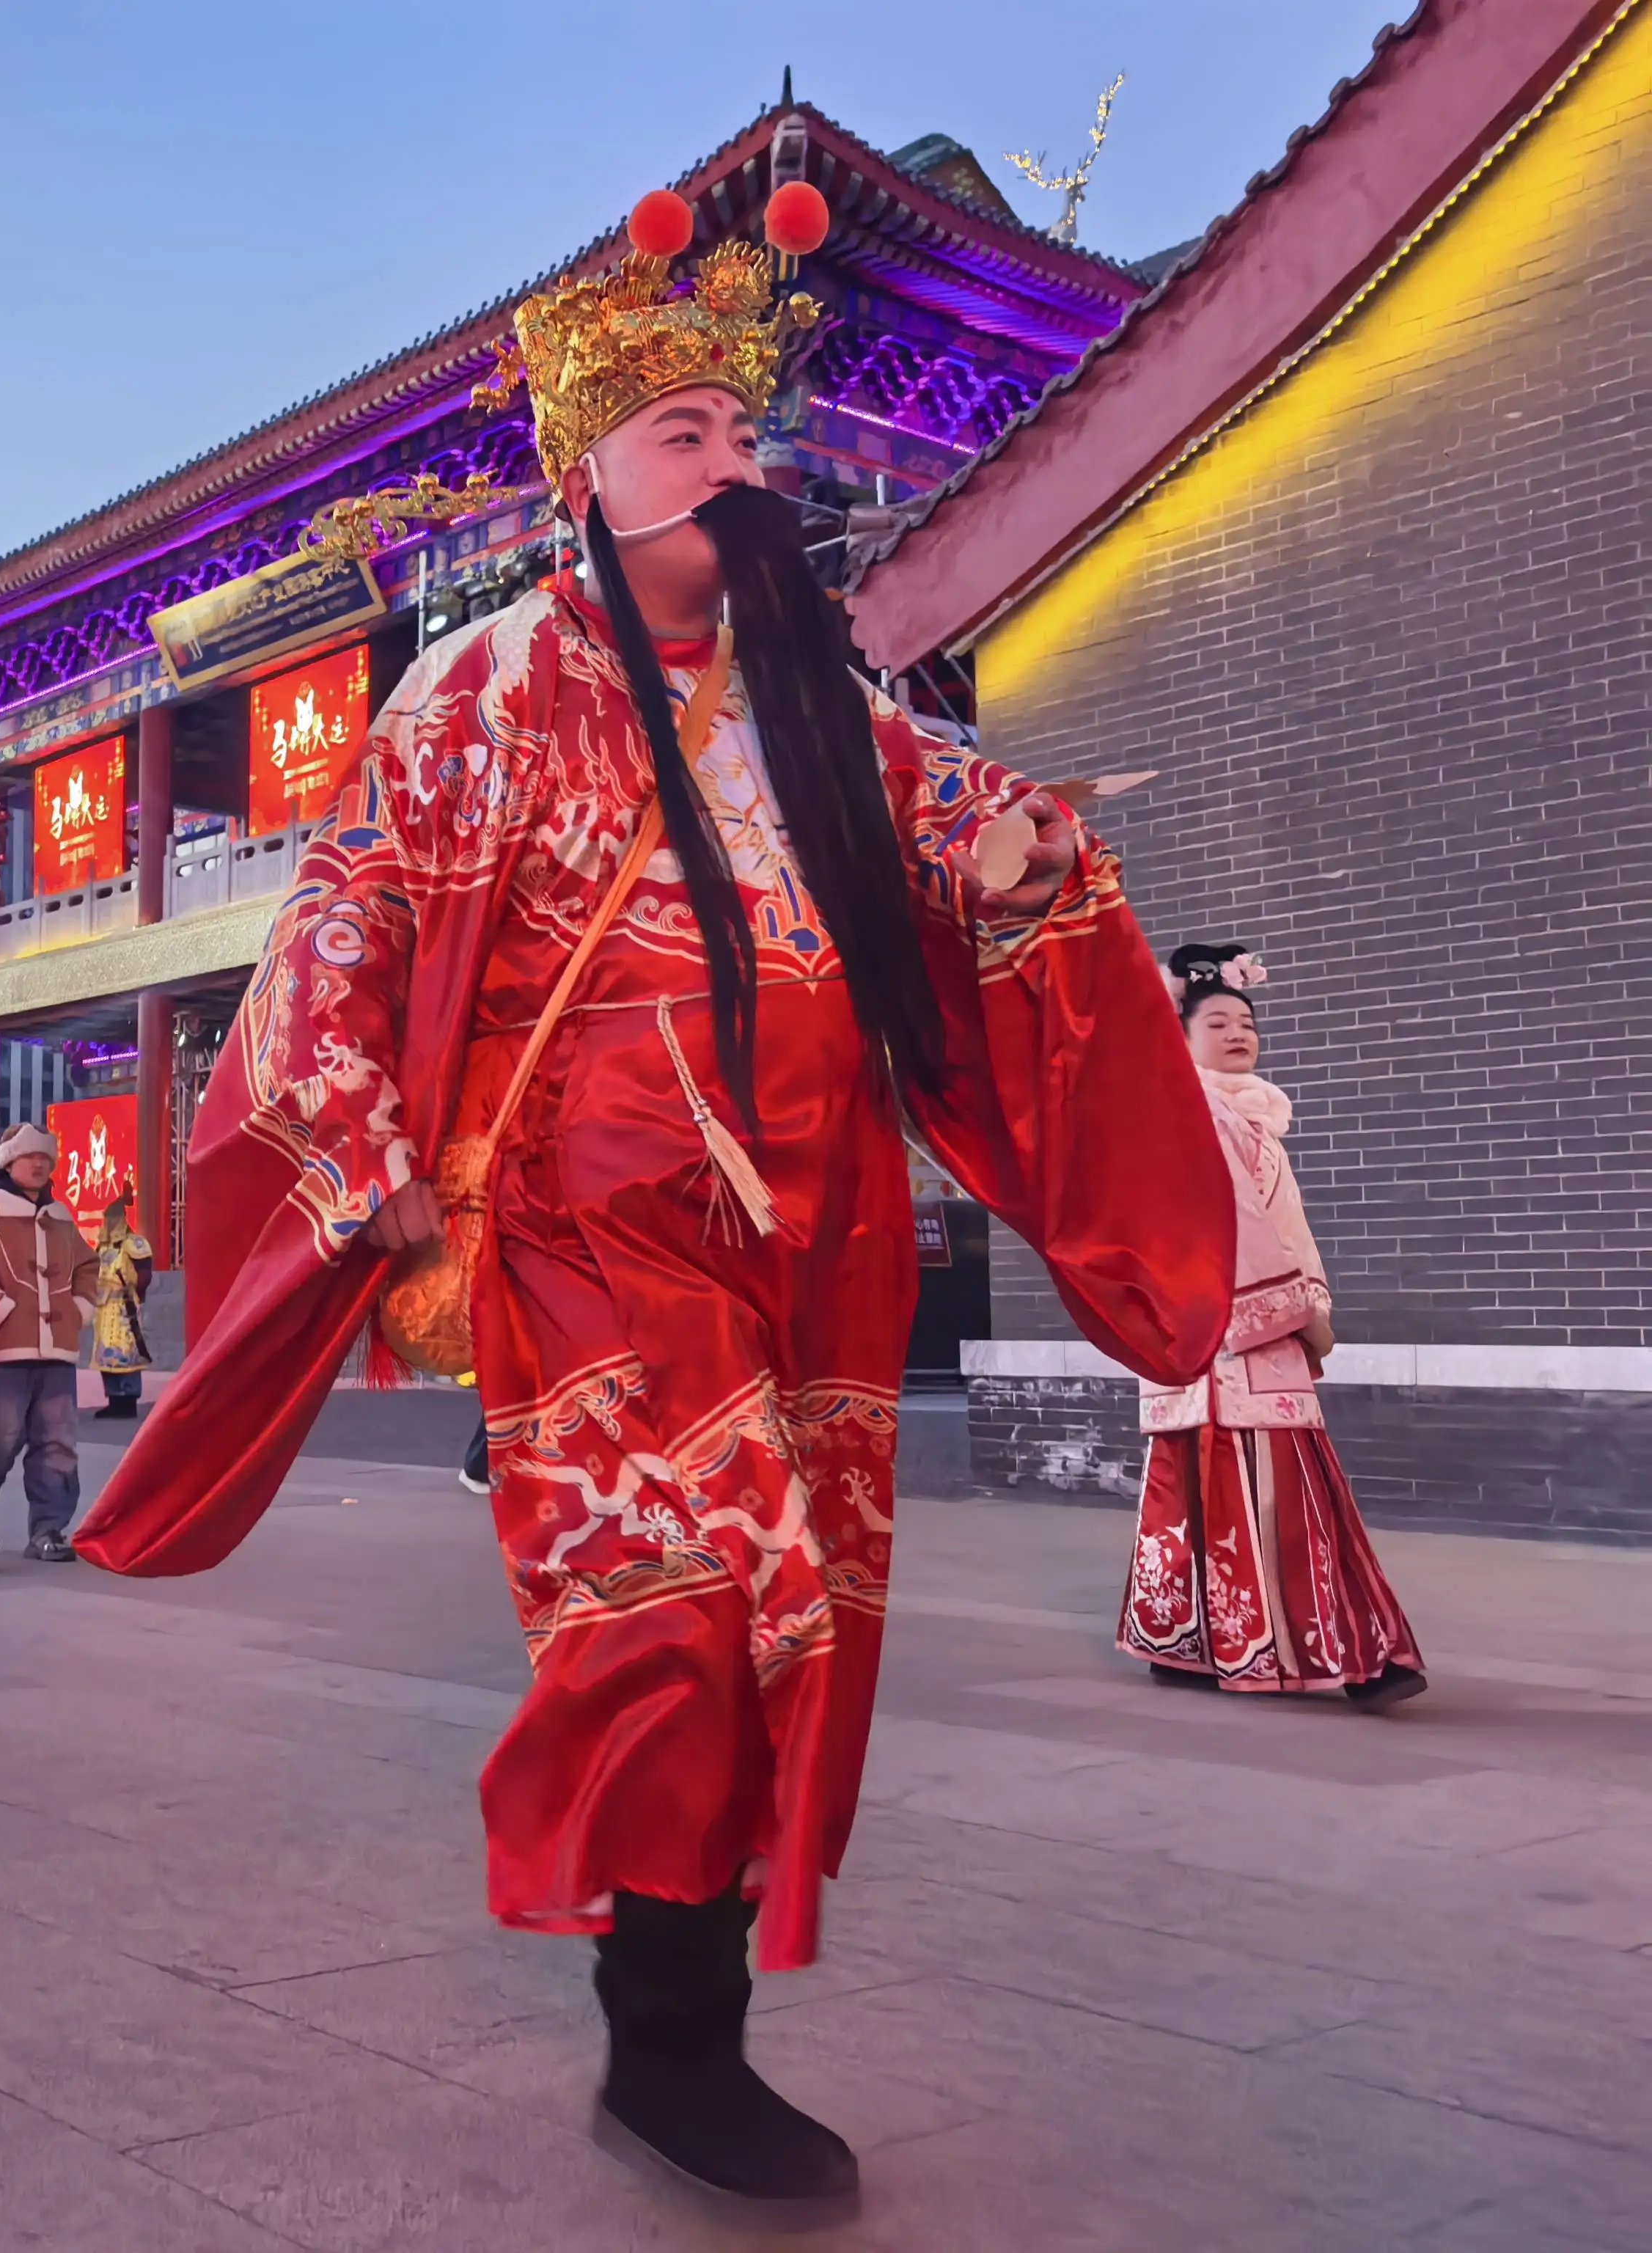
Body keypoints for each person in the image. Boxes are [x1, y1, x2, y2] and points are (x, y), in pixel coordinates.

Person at [71, 197, 1233, 2205]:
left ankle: (684, 2018)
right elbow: (340, 923)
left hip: (820, 1225)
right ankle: (670, 2049)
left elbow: (978, 855)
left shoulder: (832, 712)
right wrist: (361, 1155)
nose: (735, 463)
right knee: (688, 1605)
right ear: (583, 475)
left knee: (797, 1624)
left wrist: (1036, 871)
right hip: (590, 1222)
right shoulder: (486, 681)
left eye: (746, 433)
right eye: (684, 430)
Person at [1120, 946, 1425, 1708]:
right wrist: (1302, 1314)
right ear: (1178, 1036)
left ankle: (1185, 1646)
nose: (1236, 1033)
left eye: (1245, 1021)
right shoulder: (1202, 1111)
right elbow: (1240, 1229)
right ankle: (1355, 1655)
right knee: (1283, 1499)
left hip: (1207, 1338)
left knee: (1203, 1496)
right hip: (1235, 1334)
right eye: (1215, 1021)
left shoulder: (1235, 1112)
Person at [0, 1123, 95, 1562]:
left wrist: (79, 1310)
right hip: (2, 1352)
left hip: (57, 1352)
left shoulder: (61, 1218)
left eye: (46, 1158)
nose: (39, 1164)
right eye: (29, 1157)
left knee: (58, 1443)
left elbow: (89, 1267)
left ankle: (49, 1529)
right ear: (8, 1162)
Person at [91, 1194, 155, 1421]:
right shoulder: (103, 1245)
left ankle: (128, 1400)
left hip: (124, 1307)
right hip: (104, 1307)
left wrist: (136, 1291)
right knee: (106, 1355)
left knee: (127, 1352)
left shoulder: (133, 1243)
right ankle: (114, 1398)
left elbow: (145, 1271)